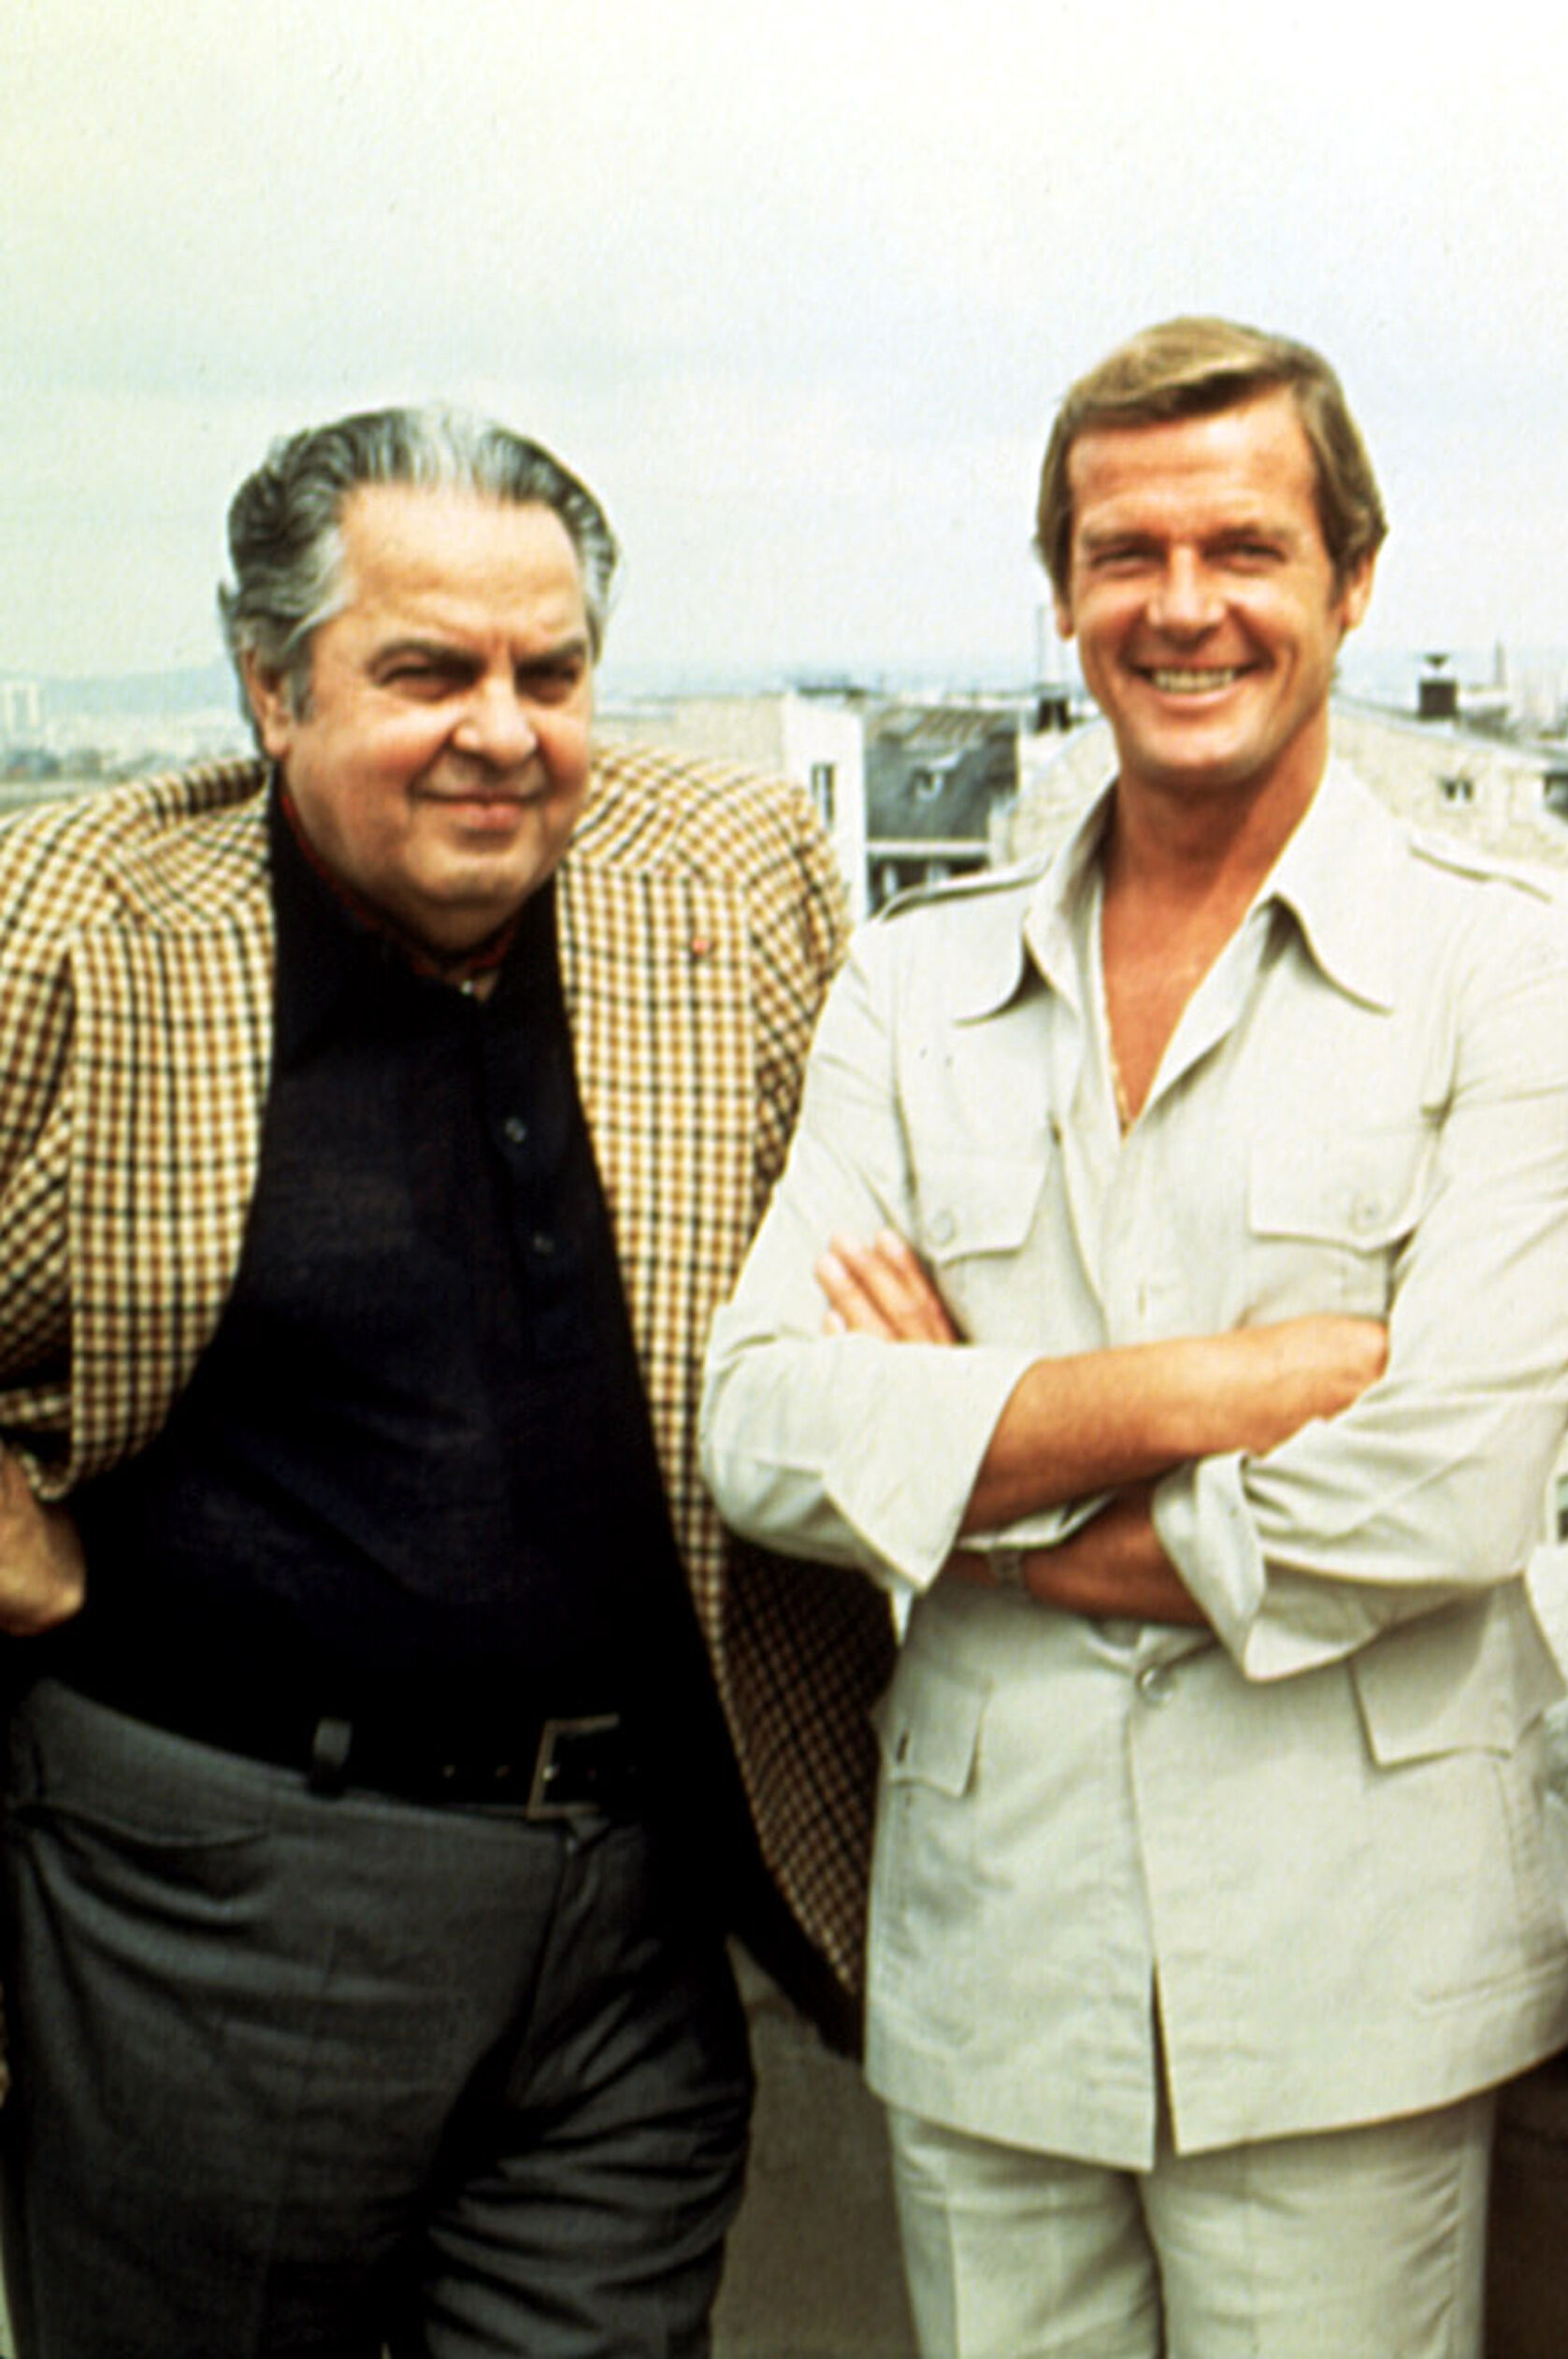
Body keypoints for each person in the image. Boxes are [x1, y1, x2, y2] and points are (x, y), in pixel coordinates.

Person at [699, 317, 1568, 2359]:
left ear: (1352, 581)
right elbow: (758, 1424)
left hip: (1350, 1975)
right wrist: (1218, 1390)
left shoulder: (1509, 966)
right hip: (993, 1954)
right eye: (1126, 552)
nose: (1182, 605)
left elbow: (1447, 1485)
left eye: (1245, 548)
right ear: (1062, 593)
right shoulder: (917, 985)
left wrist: (968, 1495)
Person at [0, 405, 886, 2355]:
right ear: (269, 687)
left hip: (644, 1908)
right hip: (218, 1898)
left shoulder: (730, 876)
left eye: (550, 673)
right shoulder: (82, 923)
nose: (504, 730)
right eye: (426, 674)